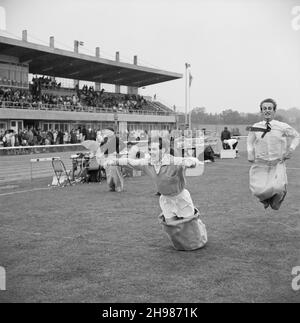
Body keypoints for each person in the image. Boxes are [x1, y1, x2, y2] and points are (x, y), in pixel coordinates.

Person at [105, 136, 207, 251]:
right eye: (150, 149)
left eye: (154, 149)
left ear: (162, 150)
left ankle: (199, 240)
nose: (150, 152)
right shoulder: (147, 162)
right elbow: (132, 162)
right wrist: (115, 161)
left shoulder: (173, 161)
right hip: (165, 199)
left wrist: (191, 162)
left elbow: (190, 161)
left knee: (190, 225)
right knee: (172, 226)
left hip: (181, 197)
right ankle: (181, 245)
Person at [247, 98, 299, 210]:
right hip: (261, 163)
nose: (267, 110)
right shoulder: (255, 127)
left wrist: (290, 150)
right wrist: (250, 153)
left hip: (277, 163)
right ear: (261, 111)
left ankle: (278, 198)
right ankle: (265, 199)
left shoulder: (282, 126)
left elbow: (296, 136)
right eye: (264, 108)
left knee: (278, 188)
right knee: (257, 190)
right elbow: (249, 141)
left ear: (274, 111)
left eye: (270, 108)